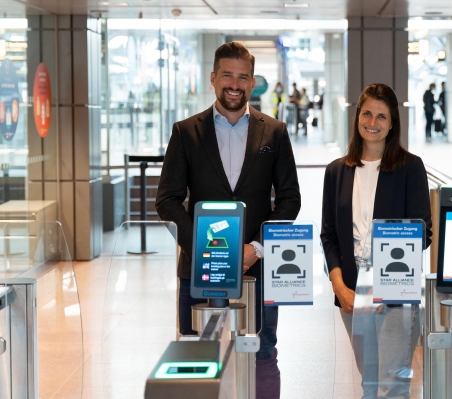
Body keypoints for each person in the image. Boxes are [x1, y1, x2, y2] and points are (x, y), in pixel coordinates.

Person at [155, 41, 301, 398]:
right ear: (213, 79)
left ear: (252, 83)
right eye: (227, 76)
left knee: (263, 352)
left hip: (257, 268)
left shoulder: (275, 132)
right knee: (196, 353)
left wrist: (256, 248)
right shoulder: (186, 132)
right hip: (198, 269)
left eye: (243, 77)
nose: (234, 84)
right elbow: (168, 200)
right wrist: (202, 248)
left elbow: (289, 199)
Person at [321, 83, 432, 399]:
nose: (373, 122)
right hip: (351, 293)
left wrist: (395, 246)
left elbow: (424, 232)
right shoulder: (336, 172)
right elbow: (328, 235)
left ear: (393, 122)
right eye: (367, 113)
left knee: (392, 386)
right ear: (358, 117)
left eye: (382, 116)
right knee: (370, 382)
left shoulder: (411, 168)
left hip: (396, 291)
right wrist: (339, 286)